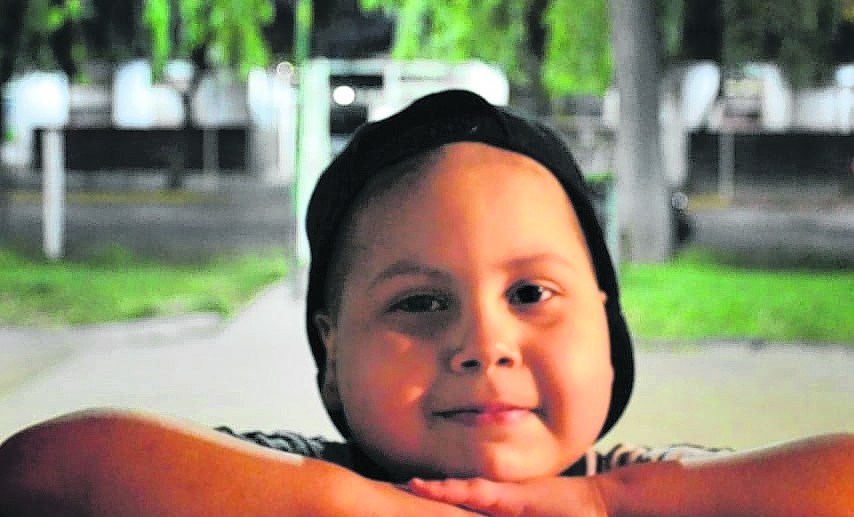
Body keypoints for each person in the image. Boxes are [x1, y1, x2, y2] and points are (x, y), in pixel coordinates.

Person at [0, 90, 850, 516]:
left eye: (530, 292)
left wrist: (609, 504)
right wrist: (353, 505)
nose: (484, 342)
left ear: (607, 325)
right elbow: (49, 471)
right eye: (418, 301)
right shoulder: (286, 478)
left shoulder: (647, 487)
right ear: (332, 357)